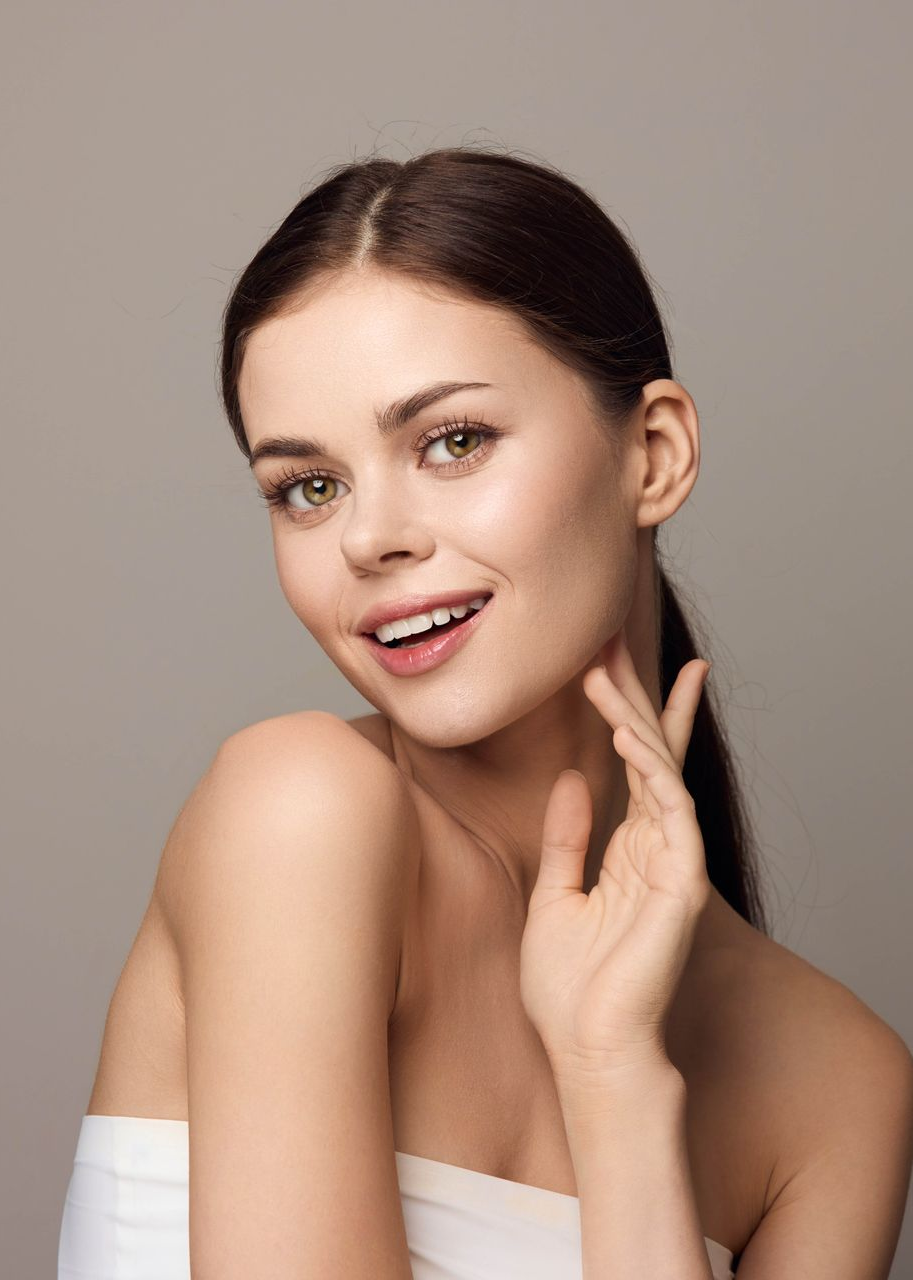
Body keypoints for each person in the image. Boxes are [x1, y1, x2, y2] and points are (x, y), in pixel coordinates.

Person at [58, 146, 913, 1279]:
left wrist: (613, 1078)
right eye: (308, 486)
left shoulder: (838, 1084)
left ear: (651, 454)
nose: (370, 538)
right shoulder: (300, 813)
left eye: (451, 440)